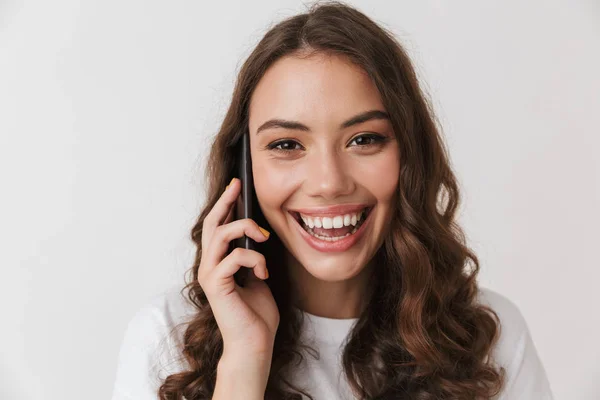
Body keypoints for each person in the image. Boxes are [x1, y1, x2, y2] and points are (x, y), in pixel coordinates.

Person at [111, 2, 554, 399]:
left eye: (364, 139)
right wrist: (244, 361)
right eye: (286, 145)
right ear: (244, 169)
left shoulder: (488, 336)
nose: (328, 182)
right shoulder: (166, 337)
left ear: (409, 155)